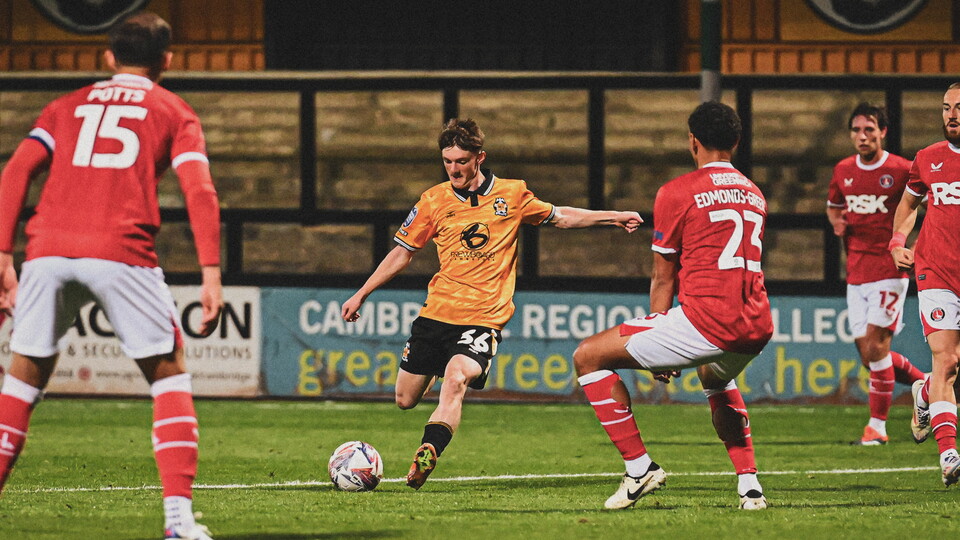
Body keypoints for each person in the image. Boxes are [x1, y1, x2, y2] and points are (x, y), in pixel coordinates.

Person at [0, 13, 222, 540]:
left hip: (47, 249)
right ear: (167, 60)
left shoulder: (64, 107)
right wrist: (211, 272)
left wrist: (3, 255)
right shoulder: (174, 111)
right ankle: (177, 521)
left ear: (108, 56)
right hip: (121, 248)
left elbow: (15, 172)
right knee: (169, 375)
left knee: (21, 382)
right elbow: (199, 190)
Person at [341, 118, 642, 490]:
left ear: (479, 158)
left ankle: (428, 451)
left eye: (461, 161)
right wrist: (361, 293)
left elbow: (561, 216)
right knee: (404, 399)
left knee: (456, 380)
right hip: (437, 313)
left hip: (483, 317)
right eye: (447, 161)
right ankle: (440, 368)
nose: (454, 169)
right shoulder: (433, 200)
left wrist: (613, 217)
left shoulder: (512, 195)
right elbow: (402, 253)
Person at [572, 101, 772, 511]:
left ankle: (639, 469)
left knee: (588, 356)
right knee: (715, 378)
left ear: (692, 141)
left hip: (707, 321)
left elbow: (664, 277)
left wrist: (661, 346)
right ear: (736, 141)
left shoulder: (677, 192)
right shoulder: (754, 193)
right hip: (756, 323)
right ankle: (750, 487)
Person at [826, 103, 926, 446]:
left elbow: (929, 204)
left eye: (869, 129)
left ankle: (877, 428)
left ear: (883, 131)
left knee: (876, 346)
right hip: (856, 272)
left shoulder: (901, 169)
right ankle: (927, 385)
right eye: (856, 130)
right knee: (870, 357)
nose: (862, 136)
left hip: (889, 269)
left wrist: (916, 243)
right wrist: (837, 222)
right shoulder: (843, 170)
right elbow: (834, 206)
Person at [890, 82, 960, 486]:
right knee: (946, 360)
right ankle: (949, 455)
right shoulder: (928, 158)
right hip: (935, 271)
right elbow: (908, 203)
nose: (952, 114)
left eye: (959, 107)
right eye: (946, 107)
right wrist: (898, 241)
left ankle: (924, 393)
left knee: (951, 365)